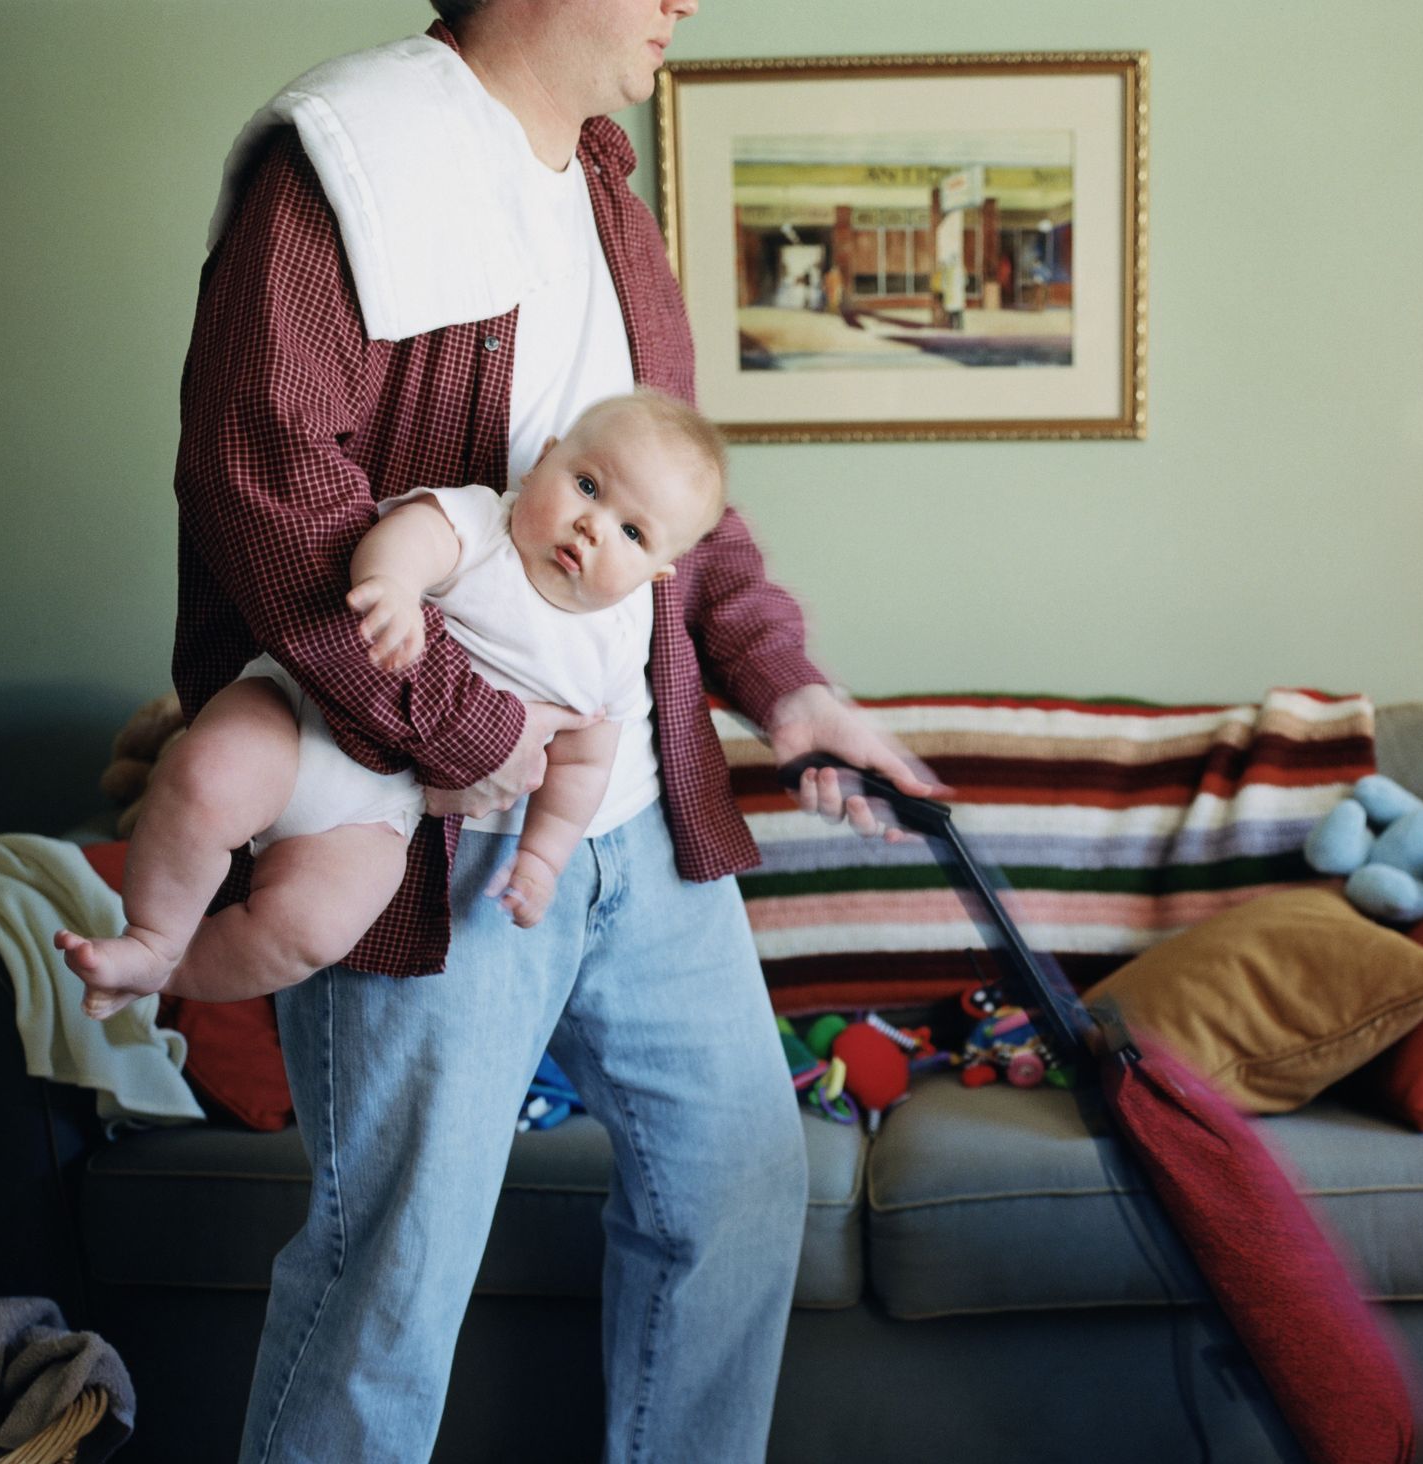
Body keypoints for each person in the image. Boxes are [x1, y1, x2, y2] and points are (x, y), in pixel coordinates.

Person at [172, 3, 935, 1460]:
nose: (685, 4)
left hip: (640, 828)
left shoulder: (610, 203)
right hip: (428, 832)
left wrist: (788, 687)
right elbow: (263, 488)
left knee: (736, 1192)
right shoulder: (343, 158)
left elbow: (679, 525)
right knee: (391, 1277)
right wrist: (474, 734)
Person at [57, 391, 724, 1017]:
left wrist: (543, 858)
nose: (592, 526)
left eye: (632, 533)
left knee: (316, 929)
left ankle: (170, 974)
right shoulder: (484, 524)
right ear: (544, 459)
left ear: (658, 573)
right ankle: (153, 934)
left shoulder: (609, 653)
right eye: (587, 486)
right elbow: (412, 535)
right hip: (299, 714)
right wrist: (396, 585)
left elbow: (582, 764)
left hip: (380, 806)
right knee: (208, 779)